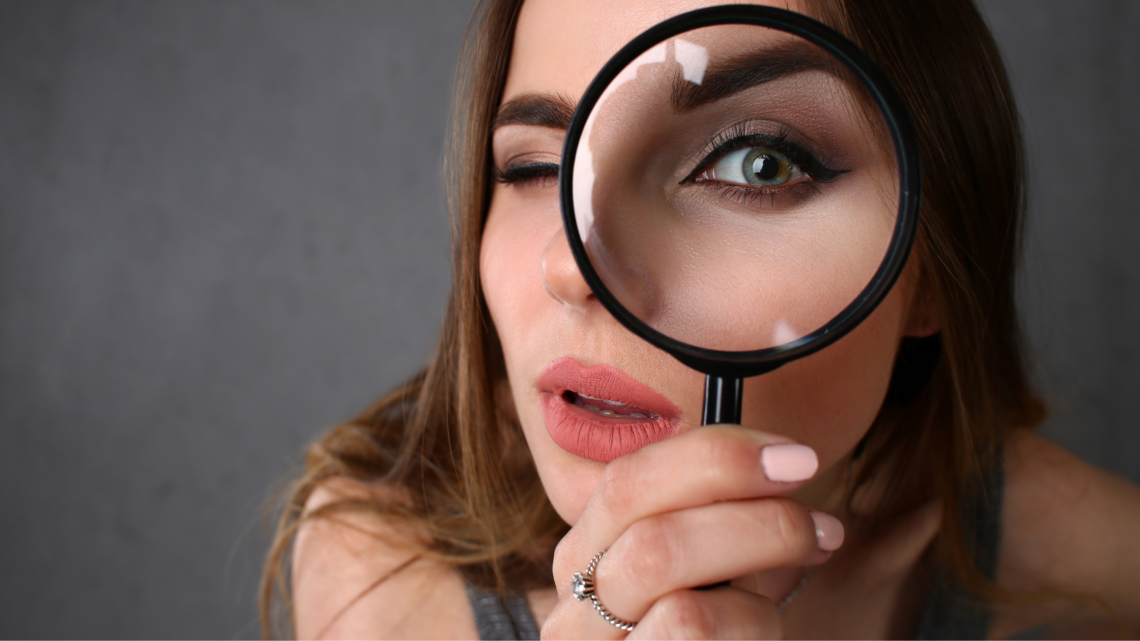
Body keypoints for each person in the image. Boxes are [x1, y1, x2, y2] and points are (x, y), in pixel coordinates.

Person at [261, 0, 1140, 638]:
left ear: (932, 271)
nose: (572, 267)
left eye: (758, 163)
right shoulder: (381, 575)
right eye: (534, 167)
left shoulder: (1102, 580)